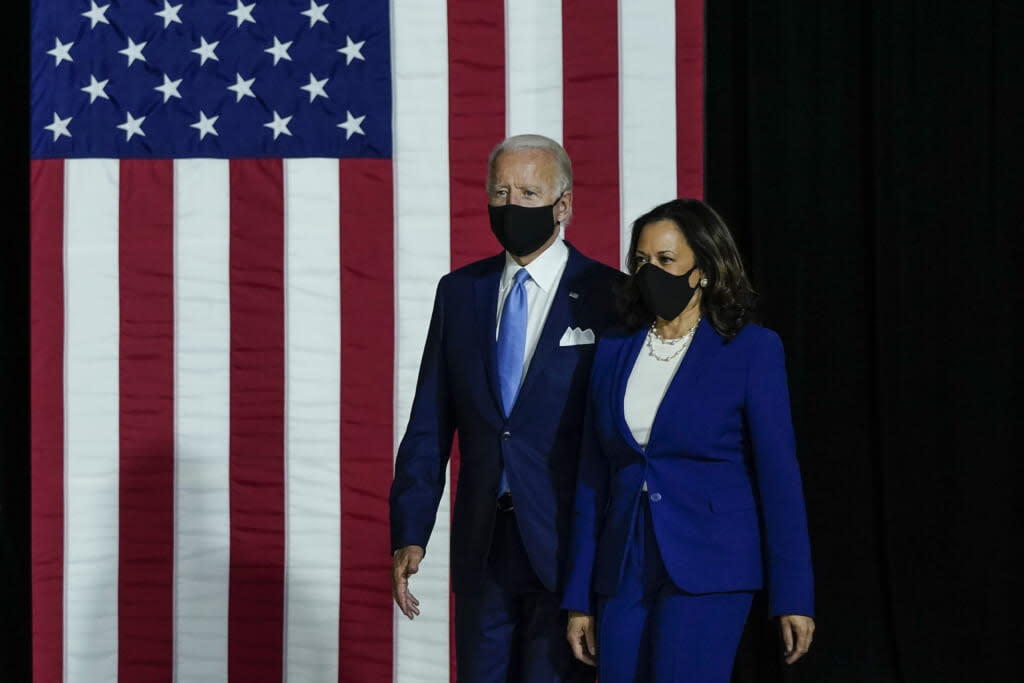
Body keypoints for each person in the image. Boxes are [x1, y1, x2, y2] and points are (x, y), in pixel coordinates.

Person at [389, 134, 622, 682]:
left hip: (569, 548)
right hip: (484, 544)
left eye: (528, 192)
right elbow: (429, 422)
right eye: (501, 191)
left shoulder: (610, 295)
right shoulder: (458, 293)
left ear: (563, 205)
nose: (512, 205)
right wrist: (410, 529)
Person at [562, 198, 815, 682]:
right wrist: (579, 598)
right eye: (640, 261)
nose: (649, 271)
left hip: (710, 563)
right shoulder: (615, 348)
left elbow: (780, 479)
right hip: (624, 564)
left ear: (704, 269)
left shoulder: (751, 349)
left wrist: (795, 595)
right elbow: (592, 478)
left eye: (665, 261)